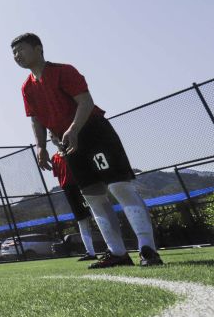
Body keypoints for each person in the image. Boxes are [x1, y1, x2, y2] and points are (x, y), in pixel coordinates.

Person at [11, 33, 162, 268]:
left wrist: (73, 129)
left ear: (38, 48)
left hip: (94, 133)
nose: (16, 55)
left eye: (21, 49)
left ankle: (148, 249)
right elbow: (36, 119)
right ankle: (118, 253)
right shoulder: (27, 88)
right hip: (69, 145)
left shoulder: (64, 71)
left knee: (119, 187)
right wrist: (40, 146)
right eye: (13, 53)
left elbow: (86, 102)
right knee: (93, 196)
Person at [49, 133, 101, 261]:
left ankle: (114, 248)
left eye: (55, 134)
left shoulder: (74, 150)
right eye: (51, 136)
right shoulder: (54, 158)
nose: (54, 138)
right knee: (81, 219)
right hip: (69, 190)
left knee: (98, 214)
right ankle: (90, 252)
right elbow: (59, 176)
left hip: (82, 185)